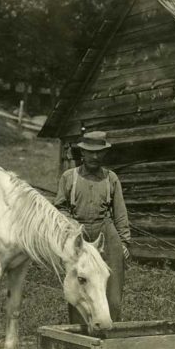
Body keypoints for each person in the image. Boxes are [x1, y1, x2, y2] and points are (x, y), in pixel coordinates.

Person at [54, 130, 130, 323]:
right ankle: (79, 337)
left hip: (106, 232)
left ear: (104, 154)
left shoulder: (110, 178)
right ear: (83, 153)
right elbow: (60, 208)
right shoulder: (69, 177)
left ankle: (108, 336)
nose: (95, 157)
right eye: (90, 152)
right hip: (78, 235)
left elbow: (120, 213)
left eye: (99, 152)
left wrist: (124, 242)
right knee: (80, 288)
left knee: (112, 295)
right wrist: (72, 226)